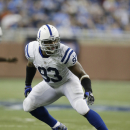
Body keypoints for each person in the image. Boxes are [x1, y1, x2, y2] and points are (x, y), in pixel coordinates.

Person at [23, 24, 108, 130]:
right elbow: (30, 65)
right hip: (50, 84)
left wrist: (88, 89)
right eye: (49, 41)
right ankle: (57, 126)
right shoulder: (32, 49)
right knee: (28, 104)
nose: (53, 44)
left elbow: (82, 74)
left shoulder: (64, 52)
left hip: (68, 82)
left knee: (82, 108)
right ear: (40, 42)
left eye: (55, 40)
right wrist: (27, 85)